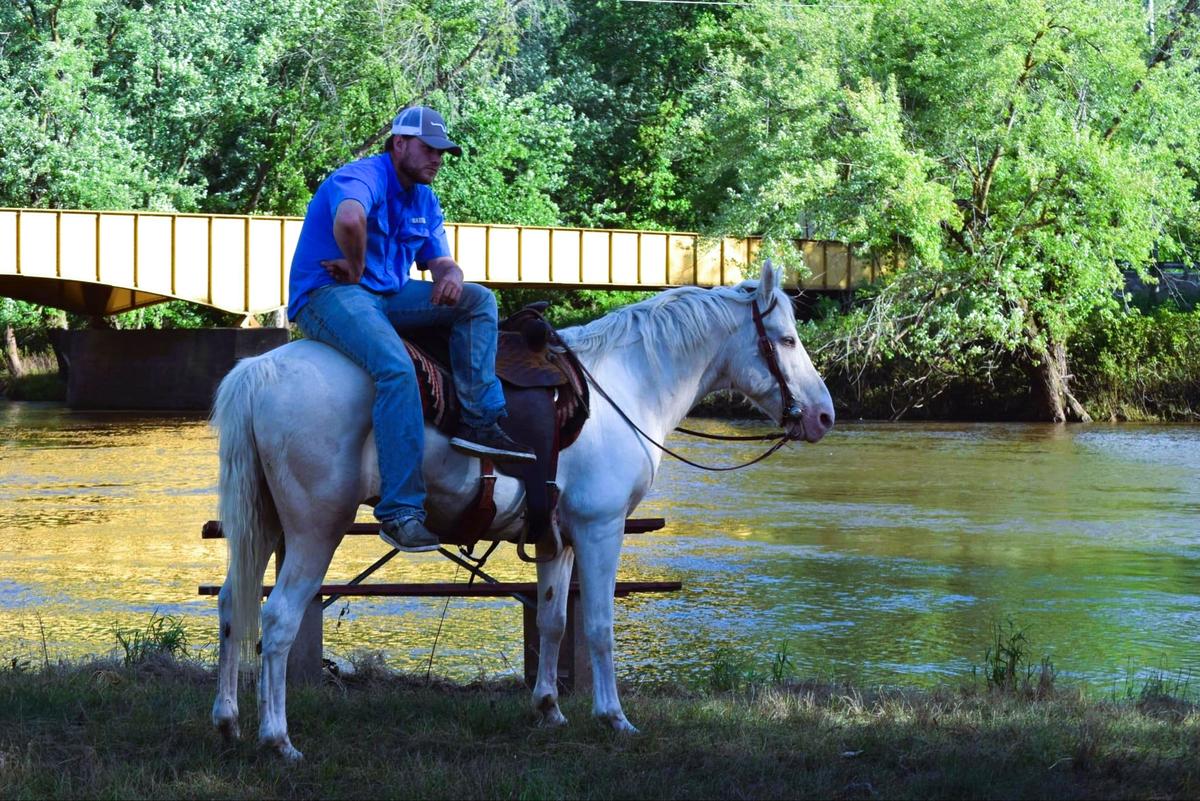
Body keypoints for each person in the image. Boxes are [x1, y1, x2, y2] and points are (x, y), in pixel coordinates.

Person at [286, 105, 535, 554]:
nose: (438, 158)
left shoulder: (423, 197)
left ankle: (481, 421)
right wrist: (357, 266)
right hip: (330, 293)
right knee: (396, 371)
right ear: (399, 143)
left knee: (478, 300)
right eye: (429, 148)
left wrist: (451, 273)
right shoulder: (362, 176)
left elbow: (438, 259)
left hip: (387, 296)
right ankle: (401, 512)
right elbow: (348, 219)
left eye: (443, 151)